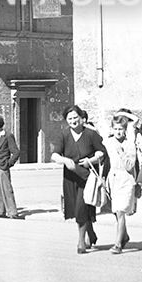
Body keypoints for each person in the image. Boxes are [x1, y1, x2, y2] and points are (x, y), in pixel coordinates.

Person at [51, 104, 107, 253]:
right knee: (77, 208)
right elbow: (54, 154)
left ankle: (81, 242)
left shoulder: (90, 134)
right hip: (70, 177)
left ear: (81, 118)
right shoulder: (63, 135)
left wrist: (92, 160)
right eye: (70, 118)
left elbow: (102, 152)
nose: (73, 121)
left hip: (87, 177)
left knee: (82, 207)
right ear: (66, 120)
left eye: (75, 117)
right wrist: (65, 160)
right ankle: (91, 233)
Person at [105, 114, 139, 254]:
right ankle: (124, 236)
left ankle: (118, 244)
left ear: (125, 130)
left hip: (126, 179)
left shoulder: (129, 144)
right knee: (116, 212)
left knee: (120, 211)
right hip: (113, 179)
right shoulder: (108, 142)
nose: (118, 131)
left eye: (121, 129)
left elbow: (130, 166)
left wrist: (122, 153)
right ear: (112, 129)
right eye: (116, 128)